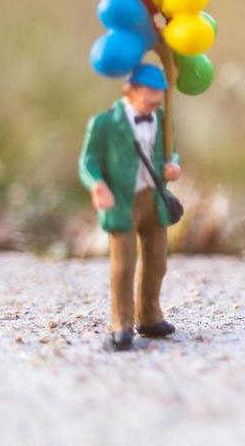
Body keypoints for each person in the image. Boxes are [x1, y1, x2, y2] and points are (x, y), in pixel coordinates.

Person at [78, 63, 182, 351]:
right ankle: (121, 324)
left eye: (159, 92)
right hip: (122, 200)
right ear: (130, 90)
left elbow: (169, 150)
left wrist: (172, 165)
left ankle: (149, 315)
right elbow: (88, 162)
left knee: (157, 261)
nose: (156, 98)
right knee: (123, 265)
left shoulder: (161, 117)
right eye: (150, 91)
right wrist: (98, 185)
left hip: (154, 198)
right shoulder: (105, 123)